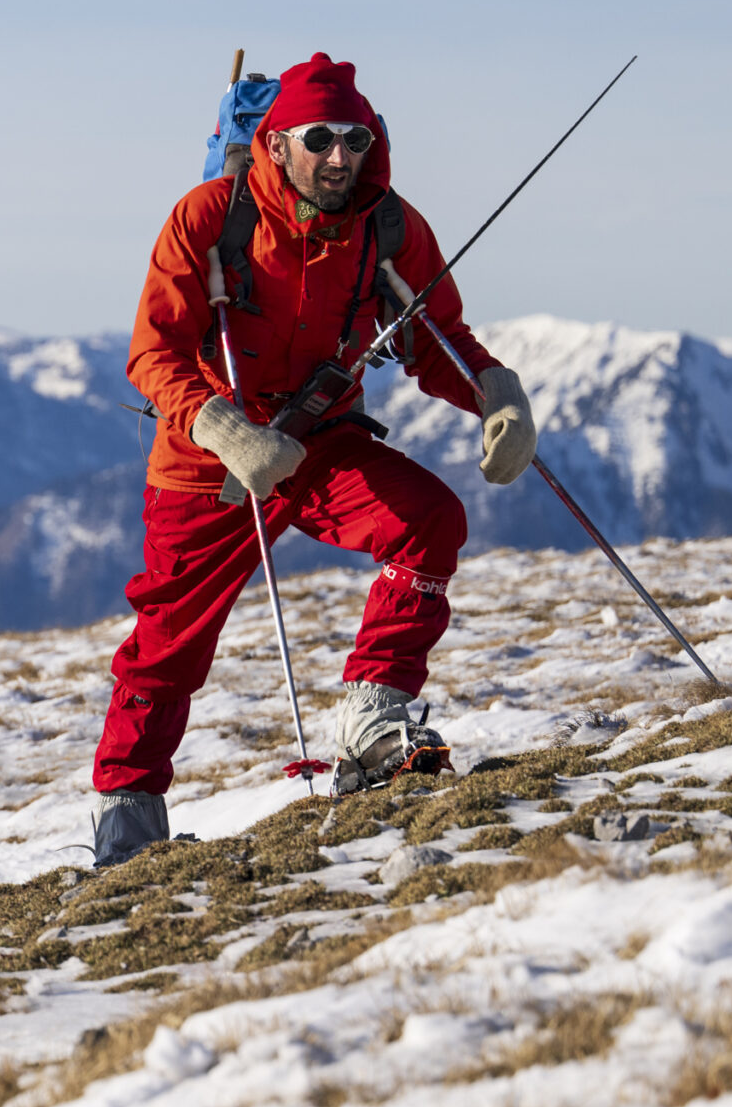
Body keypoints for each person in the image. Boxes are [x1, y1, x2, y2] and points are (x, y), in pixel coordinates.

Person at [92, 52, 538, 868]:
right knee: (169, 642)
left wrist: (494, 393)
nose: (341, 157)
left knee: (428, 519)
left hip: (320, 441)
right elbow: (155, 354)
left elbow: (434, 336)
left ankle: (374, 722)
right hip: (207, 465)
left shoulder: (388, 229)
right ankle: (126, 824)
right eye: (321, 139)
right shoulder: (207, 218)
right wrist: (226, 429)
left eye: (356, 140)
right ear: (277, 142)